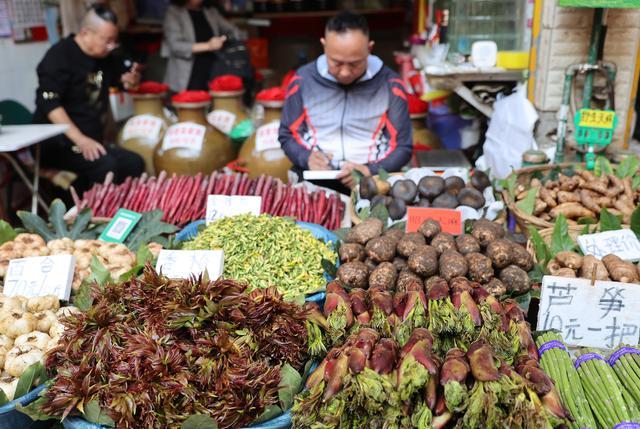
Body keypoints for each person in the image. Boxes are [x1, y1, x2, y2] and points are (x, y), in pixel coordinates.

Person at [279, 11, 412, 191]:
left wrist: (369, 170)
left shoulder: (390, 84)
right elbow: (286, 134)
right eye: (336, 62)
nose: (345, 73)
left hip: (370, 183)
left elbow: (403, 147)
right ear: (324, 46)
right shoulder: (303, 80)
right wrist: (306, 157)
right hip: (312, 182)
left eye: (355, 64)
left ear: (370, 49)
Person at [33, 6, 145, 195]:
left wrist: (132, 80)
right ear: (86, 33)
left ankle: (124, 215)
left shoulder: (106, 56)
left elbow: (125, 81)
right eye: (107, 41)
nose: (111, 46)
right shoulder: (59, 56)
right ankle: (96, 218)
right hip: (60, 143)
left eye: (114, 41)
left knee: (134, 162)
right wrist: (81, 140)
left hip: (92, 140)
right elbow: (50, 104)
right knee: (105, 166)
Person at [162, 0, 241, 92]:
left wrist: (223, 39)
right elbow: (175, 46)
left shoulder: (211, 12)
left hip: (213, 69)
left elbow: (234, 31)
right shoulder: (174, 12)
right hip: (186, 72)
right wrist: (209, 46)